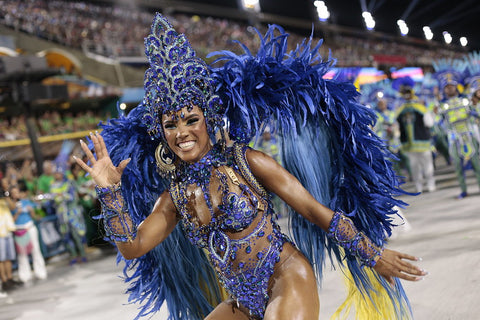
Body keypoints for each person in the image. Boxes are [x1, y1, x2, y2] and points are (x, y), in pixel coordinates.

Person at [74, 14, 426, 320]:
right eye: (170, 125)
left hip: (287, 277)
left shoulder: (248, 162)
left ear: (209, 120)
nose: (181, 133)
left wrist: (372, 255)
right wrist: (110, 191)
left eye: (190, 120)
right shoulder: (175, 197)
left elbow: (313, 211)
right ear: (160, 132)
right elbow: (133, 247)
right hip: (242, 302)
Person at [434, 62, 480, 199]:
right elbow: (436, 122)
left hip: (469, 135)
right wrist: (435, 113)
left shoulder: (466, 100)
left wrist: (475, 109)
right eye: (446, 87)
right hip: (454, 138)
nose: (449, 89)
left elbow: (476, 114)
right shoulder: (441, 105)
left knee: (477, 165)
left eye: (451, 86)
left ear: (456, 86)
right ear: (444, 89)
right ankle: (463, 190)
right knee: (458, 167)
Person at [394, 77, 436, 193]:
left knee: (426, 165)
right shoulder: (402, 110)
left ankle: (428, 183)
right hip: (411, 143)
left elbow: (429, 123)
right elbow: (396, 127)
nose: (407, 96)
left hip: (420, 141)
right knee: (415, 166)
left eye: (408, 93)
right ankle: (420, 185)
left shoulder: (416, 109)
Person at [9, 181, 47, 283]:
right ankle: (25, 275)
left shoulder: (26, 201)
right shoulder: (11, 206)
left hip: (30, 227)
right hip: (19, 230)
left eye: (17, 192)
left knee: (35, 250)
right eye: (13, 193)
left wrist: (32, 211)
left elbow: (34, 216)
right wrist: (17, 212)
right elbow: (10, 221)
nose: (16, 194)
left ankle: (40, 271)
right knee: (22, 254)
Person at [50, 167, 87, 265]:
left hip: (72, 213)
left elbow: (73, 197)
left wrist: (62, 196)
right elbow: (53, 200)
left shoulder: (69, 183)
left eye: (58, 173)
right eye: (55, 173)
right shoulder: (53, 185)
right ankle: (73, 255)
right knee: (65, 235)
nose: (56, 175)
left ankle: (82, 254)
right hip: (61, 214)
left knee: (77, 234)